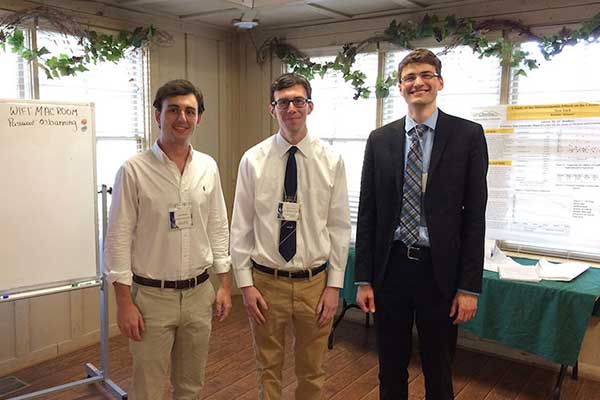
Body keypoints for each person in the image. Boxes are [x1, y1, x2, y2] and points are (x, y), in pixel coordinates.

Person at [355, 48, 489, 399]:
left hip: (439, 274)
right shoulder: (380, 140)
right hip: (391, 270)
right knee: (391, 368)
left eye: (427, 75)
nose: (419, 83)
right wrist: (364, 279)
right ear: (400, 87)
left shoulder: (468, 136)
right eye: (410, 77)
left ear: (439, 82)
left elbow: (475, 216)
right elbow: (368, 214)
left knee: (439, 369)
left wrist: (469, 287)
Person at [103, 79, 232, 400]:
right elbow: (117, 239)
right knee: (147, 389)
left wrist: (225, 286)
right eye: (172, 110)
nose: (181, 118)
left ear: (199, 118)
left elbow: (218, 226)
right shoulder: (133, 170)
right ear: (157, 115)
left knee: (190, 387)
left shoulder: (207, 167)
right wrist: (124, 305)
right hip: (150, 299)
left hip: (200, 295)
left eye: (190, 111)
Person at [230, 72, 351, 400]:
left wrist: (334, 287)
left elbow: (340, 227)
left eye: (298, 101)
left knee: (313, 371)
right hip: (267, 283)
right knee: (267, 367)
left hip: (315, 283)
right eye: (283, 102)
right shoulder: (252, 161)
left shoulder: (331, 160)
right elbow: (240, 225)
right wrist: (245, 284)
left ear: (310, 106)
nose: (291, 108)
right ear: (273, 110)